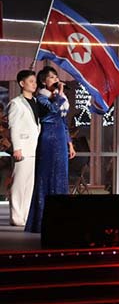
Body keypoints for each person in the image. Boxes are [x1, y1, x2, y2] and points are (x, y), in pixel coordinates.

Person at [25, 67, 75, 233]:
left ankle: (60, 219)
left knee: (61, 176)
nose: (55, 79)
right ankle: (41, 221)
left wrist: (69, 143)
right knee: (46, 177)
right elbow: (53, 110)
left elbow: (64, 122)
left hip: (60, 138)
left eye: (56, 76)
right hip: (48, 138)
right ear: (43, 81)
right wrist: (59, 93)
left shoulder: (59, 98)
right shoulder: (41, 97)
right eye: (51, 77)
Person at [7, 70, 40, 226]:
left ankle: (25, 216)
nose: (34, 84)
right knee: (19, 184)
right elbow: (14, 126)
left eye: (35, 81)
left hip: (35, 148)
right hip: (23, 149)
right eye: (31, 81)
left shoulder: (36, 102)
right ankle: (16, 216)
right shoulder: (16, 103)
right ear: (22, 83)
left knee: (30, 185)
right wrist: (17, 148)